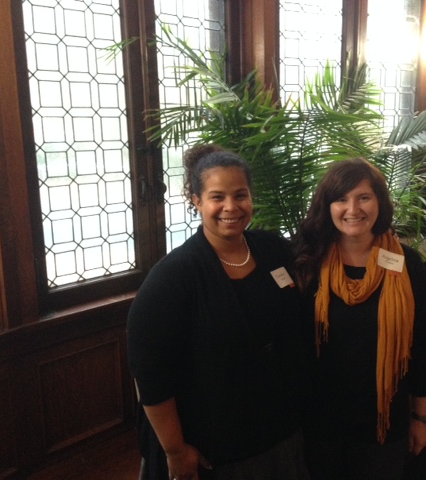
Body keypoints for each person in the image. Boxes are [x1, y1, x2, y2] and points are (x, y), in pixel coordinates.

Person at [127, 144, 311, 480]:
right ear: (196, 200)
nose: (231, 207)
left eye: (240, 195)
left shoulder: (273, 250)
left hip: (281, 433)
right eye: (217, 197)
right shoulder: (173, 278)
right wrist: (175, 450)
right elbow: (151, 376)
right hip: (217, 451)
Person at [292, 158, 426, 480]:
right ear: (327, 206)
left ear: (379, 202)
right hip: (319, 423)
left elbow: (425, 345)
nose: (352, 209)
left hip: (383, 424)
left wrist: (422, 418)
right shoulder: (307, 261)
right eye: (341, 199)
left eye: (363, 197)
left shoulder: (406, 263)